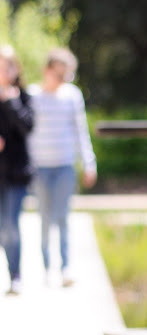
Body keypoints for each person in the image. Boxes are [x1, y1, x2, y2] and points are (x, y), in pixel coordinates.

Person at [28, 47, 97, 287]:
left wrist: (89, 162)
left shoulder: (72, 96)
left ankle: (66, 266)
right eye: (58, 75)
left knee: (64, 216)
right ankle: (47, 267)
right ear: (47, 71)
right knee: (45, 217)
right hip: (40, 167)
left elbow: (80, 131)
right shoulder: (32, 96)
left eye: (66, 76)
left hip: (65, 165)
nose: (62, 81)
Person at [0, 45, 34, 295]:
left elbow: (27, 127)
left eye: (7, 65)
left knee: (11, 224)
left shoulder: (23, 96)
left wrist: (11, 102)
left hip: (16, 173)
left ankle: (15, 274)